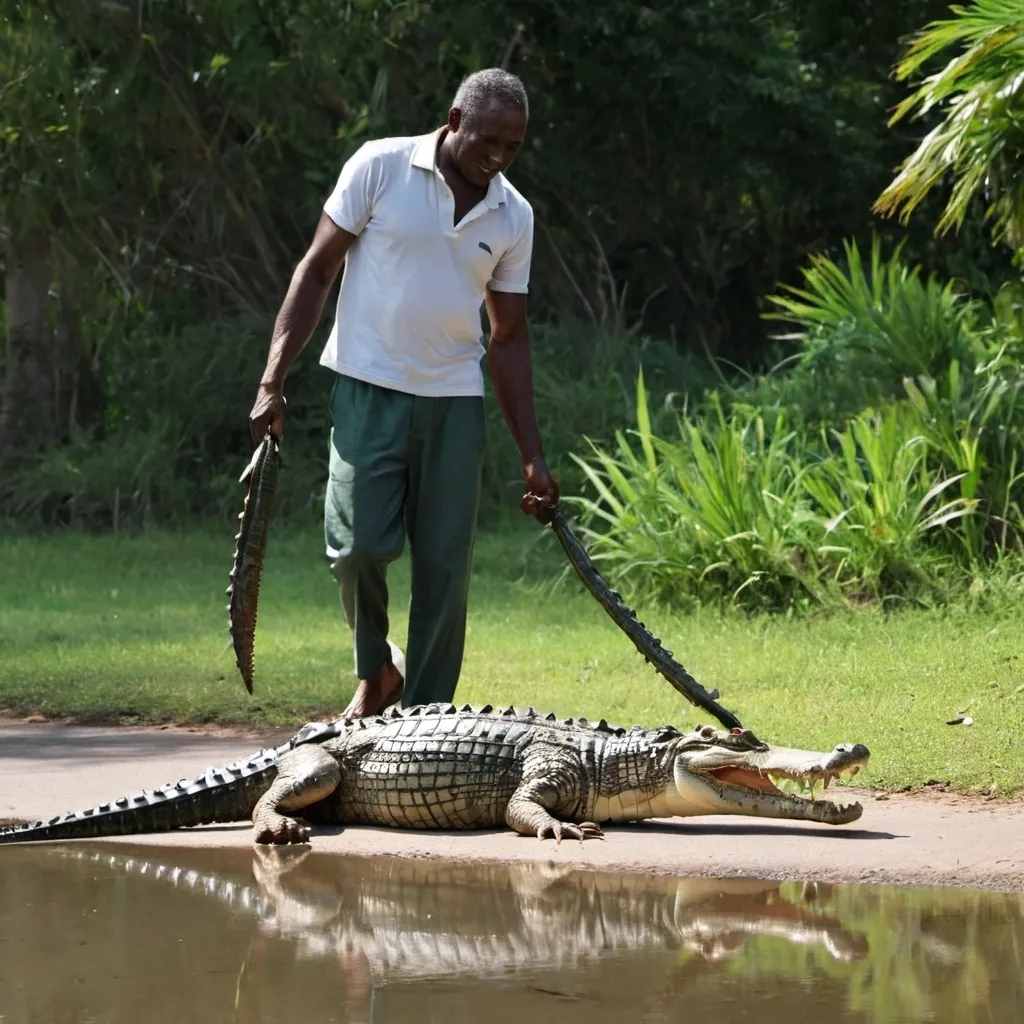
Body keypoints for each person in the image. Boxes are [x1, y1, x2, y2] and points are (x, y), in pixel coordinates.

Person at [247, 68, 559, 718]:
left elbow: (507, 338)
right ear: (453, 121)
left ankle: (424, 719)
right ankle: (377, 670)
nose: (498, 157)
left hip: (454, 404)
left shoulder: (513, 215)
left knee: (444, 572)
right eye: (487, 140)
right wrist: (272, 379)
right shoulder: (380, 167)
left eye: (514, 146)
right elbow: (317, 270)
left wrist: (531, 453)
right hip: (368, 390)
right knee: (357, 548)